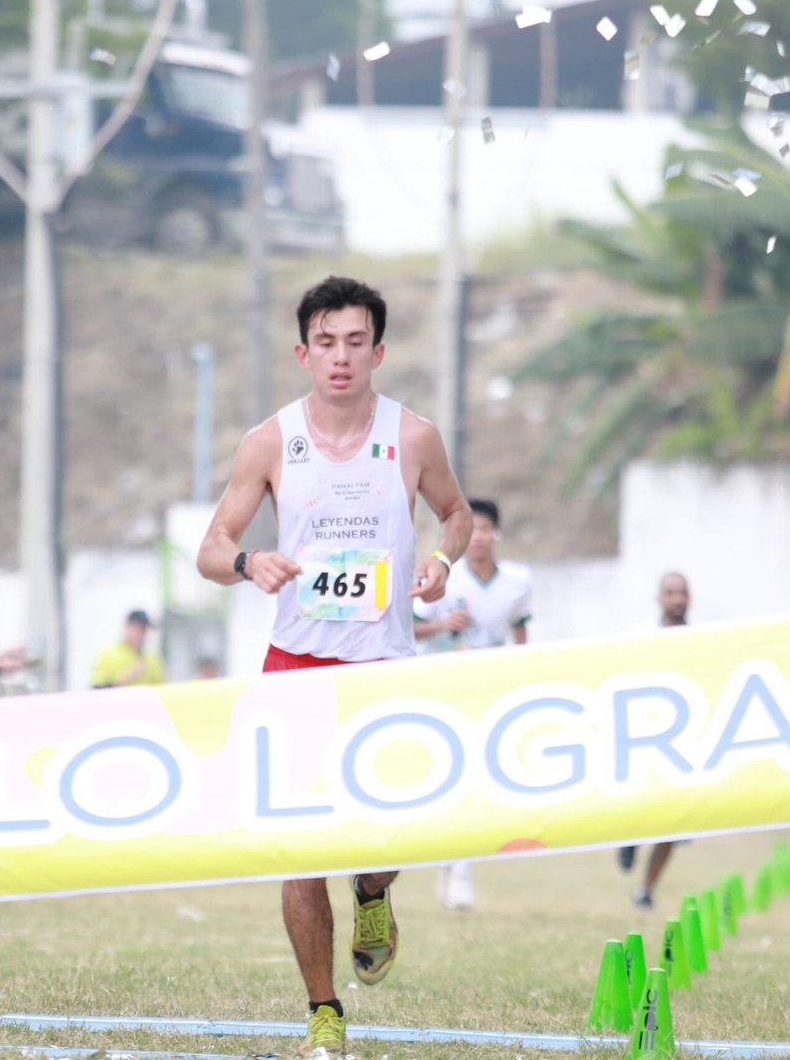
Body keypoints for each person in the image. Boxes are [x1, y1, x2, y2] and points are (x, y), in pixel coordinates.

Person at [196, 275, 471, 1059]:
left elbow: (456, 513)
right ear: (303, 351)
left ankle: (375, 894)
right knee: (298, 846)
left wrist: (443, 563)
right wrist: (252, 562)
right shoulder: (269, 441)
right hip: (294, 666)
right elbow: (211, 549)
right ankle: (324, 1010)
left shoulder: (413, 436)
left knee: (391, 831)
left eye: (356, 342)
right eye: (326, 343)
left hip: (383, 664)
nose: (341, 357)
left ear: (378, 351)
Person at [413, 497, 532, 912]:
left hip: (489, 685)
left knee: (477, 777)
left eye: (485, 529)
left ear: (495, 533)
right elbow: (410, 625)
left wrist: (523, 677)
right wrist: (442, 625)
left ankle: (460, 868)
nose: (478, 538)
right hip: (445, 683)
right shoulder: (445, 576)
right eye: (472, 529)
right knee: (446, 774)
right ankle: (450, 863)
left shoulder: (517, 581)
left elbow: (520, 631)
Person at [618, 571, 692, 909]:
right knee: (644, 805)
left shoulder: (702, 638)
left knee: (675, 824)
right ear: (660, 598)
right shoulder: (641, 636)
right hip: (647, 738)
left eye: (682, 593)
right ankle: (630, 837)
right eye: (670, 593)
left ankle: (646, 889)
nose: (677, 599)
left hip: (687, 742)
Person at [91, 610, 166, 688]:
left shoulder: (152, 658)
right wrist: (128, 677)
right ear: (127, 627)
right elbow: (96, 690)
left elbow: (162, 689)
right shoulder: (107, 655)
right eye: (139, 629)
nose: (142, 634)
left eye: (145, 630)